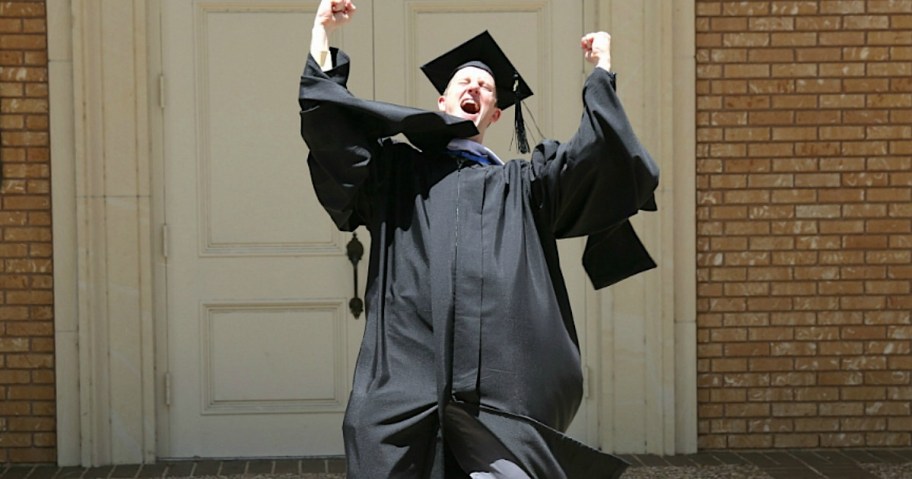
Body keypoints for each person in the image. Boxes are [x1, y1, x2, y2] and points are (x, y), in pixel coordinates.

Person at [298, 0, 659, 477]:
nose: (475, 88)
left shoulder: (523, 185)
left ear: (493, 113)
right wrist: (322, 37)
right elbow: (334, 133)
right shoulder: (398, 173)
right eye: (464, 83)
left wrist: (602, 74)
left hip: (500, 390)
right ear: (442, 104)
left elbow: (597, 158)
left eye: (486, 88)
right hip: (407, 379)